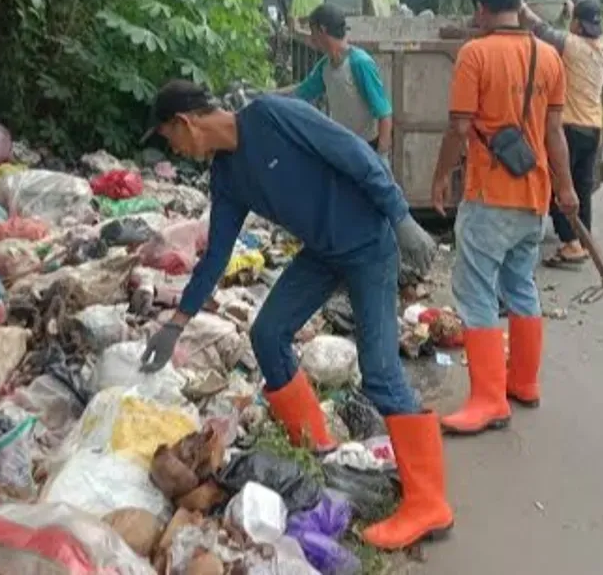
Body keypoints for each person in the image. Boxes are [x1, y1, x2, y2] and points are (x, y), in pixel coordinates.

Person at [139, 80, 453, 550]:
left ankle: (429, 504)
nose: (177, 150)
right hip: (323, 255)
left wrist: (400, 215)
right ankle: (317, 448)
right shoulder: (227, 177)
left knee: (382, 374)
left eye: (171, 139)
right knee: (267, 335)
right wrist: (177, 323)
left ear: (186, 123)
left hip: (368, 243)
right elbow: (216, 256)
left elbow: (352, 153)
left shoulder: (271, 116)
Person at [430, 0, 578, 435]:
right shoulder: (550, 57)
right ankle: (524, 383)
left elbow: (458, 128)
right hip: (534, 196)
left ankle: (489, 399)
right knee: (520, 286)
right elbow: (555, 132)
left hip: (490, 194)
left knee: (476, 293)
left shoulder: (475, 55)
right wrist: (566, 187)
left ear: (481, 7)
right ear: (518, 2)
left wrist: (440, 177)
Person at [520, 0, 603, 266]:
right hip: (593, 129)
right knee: (582, 188)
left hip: (569, 128)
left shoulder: (570, 45)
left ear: (575, 25)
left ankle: (571, 243)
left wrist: (522, 6)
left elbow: (538, 28)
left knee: (560, 185)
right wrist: (573, 11)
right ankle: (584, 241)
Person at [285, 4, 394, 162]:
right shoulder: (325, 66)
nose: (311, 38)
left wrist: (381, 158)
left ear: (322, 30)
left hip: (366, 149)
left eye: (313, 32)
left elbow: (384, 114)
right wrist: (266, 96)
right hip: (343, 147)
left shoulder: (359, 63)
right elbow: (301, 93)